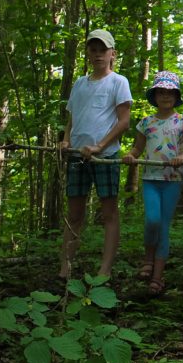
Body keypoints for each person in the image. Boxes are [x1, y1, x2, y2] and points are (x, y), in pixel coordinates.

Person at [58, 29, 132, 280]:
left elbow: (124, 122)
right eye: (94, 50)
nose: (98, 54)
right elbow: (72, 118)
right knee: (74, 213)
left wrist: (100, 145)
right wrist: (65, 140)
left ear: (113, 53)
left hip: (105, 156)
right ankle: (65, 266)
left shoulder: (118, 82)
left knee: (109, 213)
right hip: (77, 156)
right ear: (88, 53)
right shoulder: (80, 83)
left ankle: (105, 269)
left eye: (103, 50)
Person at [122, 71, 183, 295]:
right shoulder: (146, 122)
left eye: (170, 93)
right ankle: (147, 258)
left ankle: (157, 275)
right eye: (161, 92)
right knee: (152, 220)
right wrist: (130, 155)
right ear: (154, 96)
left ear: (176, 96)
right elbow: (137, 148)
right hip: (150, 178)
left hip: (173, 180)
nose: (165, 96)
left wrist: (182, 157)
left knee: (163, 226)